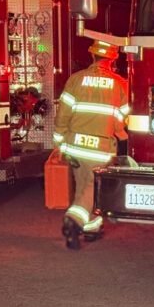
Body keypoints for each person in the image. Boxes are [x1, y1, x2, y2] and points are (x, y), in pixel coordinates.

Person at [53, 39, 129, 250]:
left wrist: (59, 141)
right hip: (100, 147)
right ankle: (73, 221)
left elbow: (63, 114)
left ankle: (91, 228)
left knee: (83, 186)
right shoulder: (119, 83)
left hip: (75, 145)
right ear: (113, 60)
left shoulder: (76, 80)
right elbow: (121, 120)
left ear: (92, 56)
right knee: (92, 189)